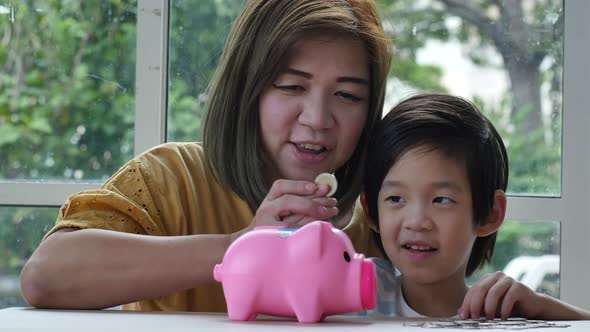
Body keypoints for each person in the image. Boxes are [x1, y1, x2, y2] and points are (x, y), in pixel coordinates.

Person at [20, 0, 391, 311]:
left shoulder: (386, 211)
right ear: (246, 90)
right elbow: (46, 277)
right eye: (292, 86)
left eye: (348, 95)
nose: (317, 119)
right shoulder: (171, 178)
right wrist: (241, 243)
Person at [361, 93, 590, 319]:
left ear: (491, 214)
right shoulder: (359, 293)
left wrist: (542, 307)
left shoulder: (501, 310)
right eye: (396, 199)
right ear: (371, 211)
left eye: (441, 200)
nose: (417, 222)